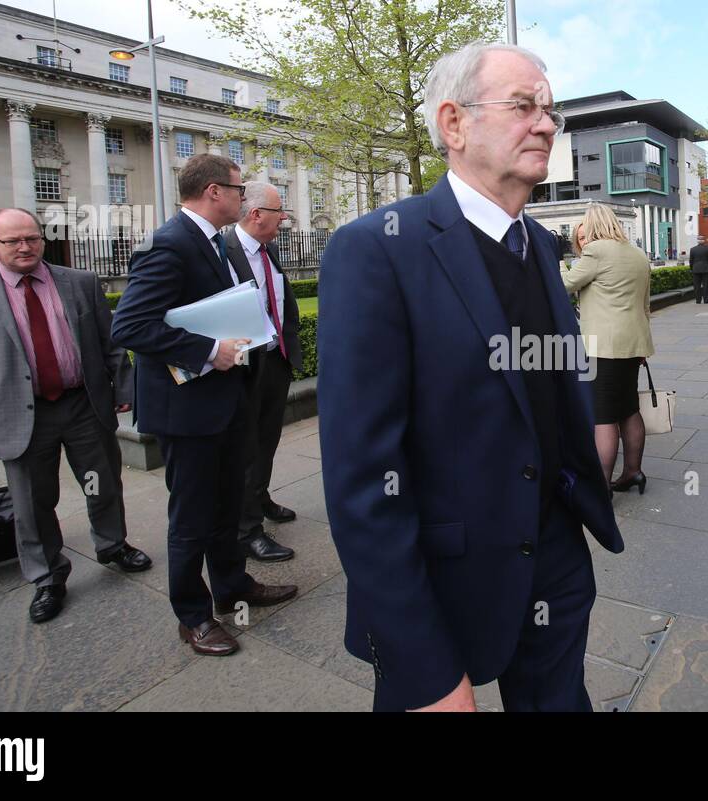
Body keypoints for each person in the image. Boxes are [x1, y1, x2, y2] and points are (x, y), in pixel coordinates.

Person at [317, 42, 624, 712]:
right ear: (453, 124)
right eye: (523, 106)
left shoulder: (539, 247)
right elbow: (363, 483)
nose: (546, 124)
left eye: (550, 109)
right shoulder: (376, 251)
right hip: (438, 576)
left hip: (554, 560)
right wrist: (424, 672)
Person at [112, 154, 297, 657]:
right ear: (215, 192)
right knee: (192, 517)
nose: (243, 197)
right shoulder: (169, 244)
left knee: (226, 506)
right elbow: (129, 327)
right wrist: (209, 351)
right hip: (187, 410)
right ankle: (193, 617)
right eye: (239, 189)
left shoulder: (215, 243)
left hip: (225, 400)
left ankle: (233, 586)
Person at [0, 208, 151, 624]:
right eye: (13, 240)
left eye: (31, 237)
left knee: (101, 483)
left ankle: (112, 545)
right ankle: (48, 577)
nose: (25, 247)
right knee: (32, 503)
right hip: (21, 415)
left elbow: (111, 343)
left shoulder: (80, 283)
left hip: (83, 405)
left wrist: (124, 389)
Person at [225, 182, 300, 563]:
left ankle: (260, 497)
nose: (283, 217)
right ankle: (247, 529)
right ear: (255, 215)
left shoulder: (268, 252)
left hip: (275, 362)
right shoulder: (223, 252)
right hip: (242, 370)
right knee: (245, 448)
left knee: (267, 440)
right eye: (277, 211)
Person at [561, 204, 654, 493]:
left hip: (604, 346)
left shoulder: (596, 252)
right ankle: (633, 472)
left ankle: (601, 487)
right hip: (633, 343)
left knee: (603, 417)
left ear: (591, 226)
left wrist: (558, 261)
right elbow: (645, 304)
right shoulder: (638, 254)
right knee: (628, 409)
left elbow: (563, 284)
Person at [688, 235, 708, 304]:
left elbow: (691, 260)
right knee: (706, 285)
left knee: (697, 286)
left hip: (695, 269)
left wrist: (691, 268)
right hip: (705, 269)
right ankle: (706, 299)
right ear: (704, 241)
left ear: (697, 241)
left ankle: (698, 300)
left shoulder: (692, 249)